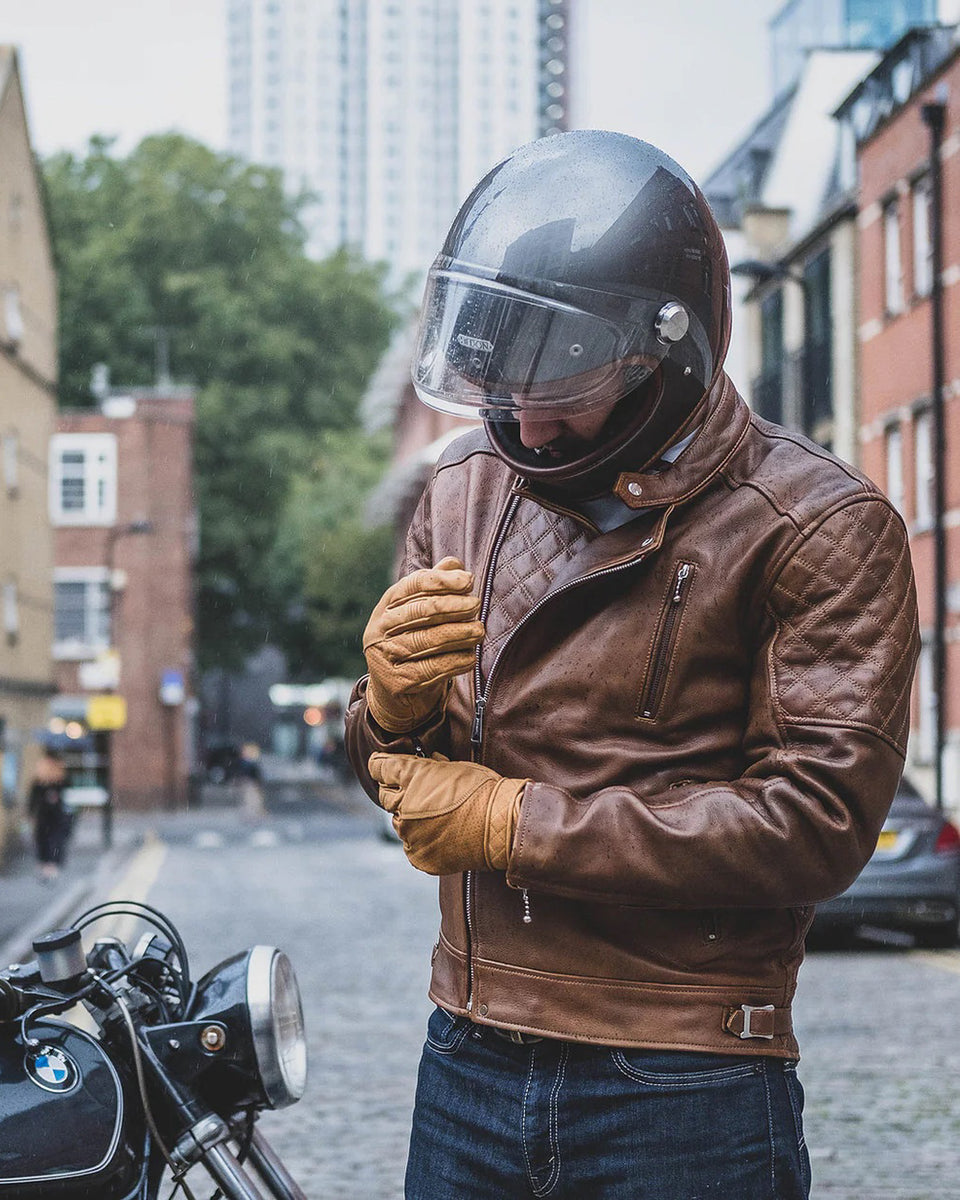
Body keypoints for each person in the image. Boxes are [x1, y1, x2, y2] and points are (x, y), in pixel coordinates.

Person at [345, 130, 919, 1199]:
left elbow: (815, 823)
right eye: (501, 384)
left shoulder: (819, 524)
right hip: (466, 1046)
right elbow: (404, 778)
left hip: (684, 1072)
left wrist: (517, 824)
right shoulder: (464, 487)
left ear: (668, 351)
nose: (522, 418)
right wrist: (382, 707)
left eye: (562, 382)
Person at [28, 749, 70, 881]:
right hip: (43, 817)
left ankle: (52, 865)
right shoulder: (39, 783)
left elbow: (67, 798)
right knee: (43, 840)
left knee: (55, 841)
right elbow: (32, 800)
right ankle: (45, 865)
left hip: (58, 817)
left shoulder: (61, 782)